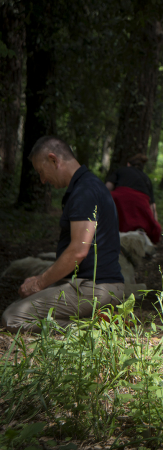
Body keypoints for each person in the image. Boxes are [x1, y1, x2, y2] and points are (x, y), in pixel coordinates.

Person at [1, 136, 125, 333]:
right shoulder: (88, 185)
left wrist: (39, 284)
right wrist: (38, 280)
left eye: (41, 172)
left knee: (12, 318)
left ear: (53, 159)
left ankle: (96, 329)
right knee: (22, 304)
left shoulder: (84, 192)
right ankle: (97, 321)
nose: (42, 180)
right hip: (94, 286)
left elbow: (78, 251)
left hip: (93, 289)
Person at [105, 153, 161, 244]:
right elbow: (152, 206)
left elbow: (107, 188)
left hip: (119, 200)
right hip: (141, 204)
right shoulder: (146, 179)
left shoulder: (121, 170)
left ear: (128, 164)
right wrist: (155, 225)